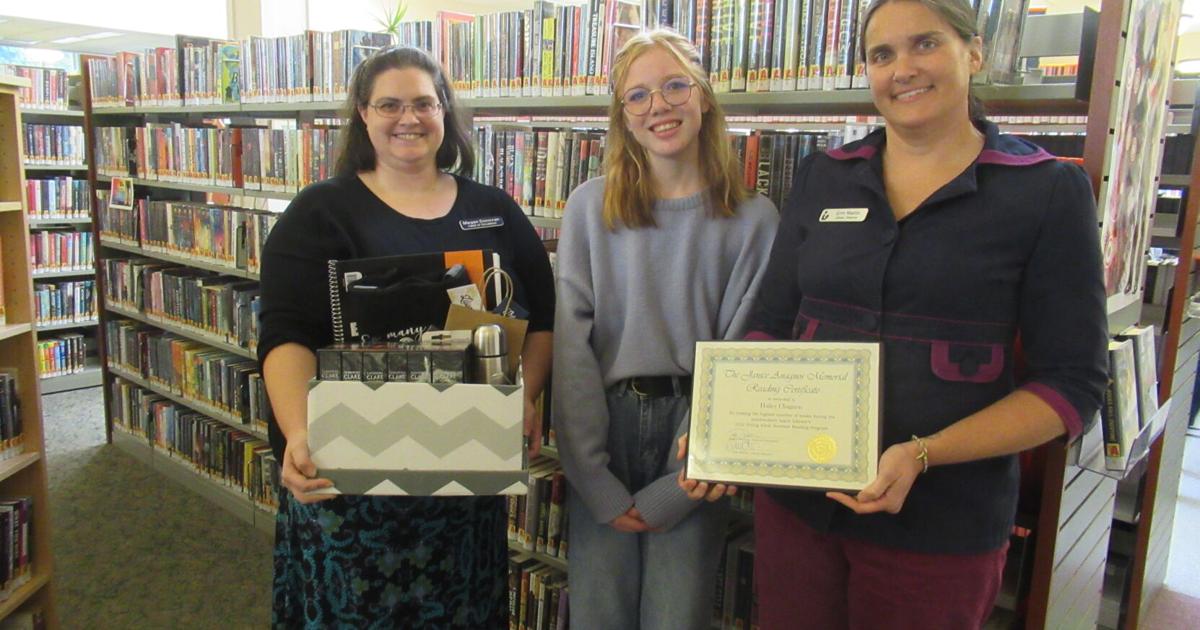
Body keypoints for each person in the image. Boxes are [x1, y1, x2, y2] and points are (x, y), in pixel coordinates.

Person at [679, 0, 1107, 627]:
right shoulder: (826, 176)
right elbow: (772, 320)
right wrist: (723, 433)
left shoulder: (1044, 192)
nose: (903, 68)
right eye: (882, 54)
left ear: (974, 51)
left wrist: (924, 453)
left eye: (925, 44)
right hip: (800, 510)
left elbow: (1071, 386)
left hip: (942, 525)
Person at [257, 46, 555, 628]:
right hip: (352, 483)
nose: (408, 118)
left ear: (445, 111)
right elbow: (285, 336)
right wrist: (298, 433)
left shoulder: (493, 209)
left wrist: (524, 396)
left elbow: (541, 321)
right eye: (389, 104)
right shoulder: (320, 212)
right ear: (363, 115)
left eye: (424, 102)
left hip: (463, 479)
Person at [553, 29, 779, 630]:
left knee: (677, 616)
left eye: (676, 85)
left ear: (703, 97)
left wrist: (682, 484)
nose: (660, 106)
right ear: (623, 117)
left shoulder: (755, 219)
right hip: (603, 427)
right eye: (639, 95)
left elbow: (739, 356)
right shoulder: (588, 208)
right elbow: (572, 353)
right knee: (598, 613)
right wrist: (594, 480)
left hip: (698, 437)